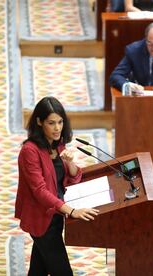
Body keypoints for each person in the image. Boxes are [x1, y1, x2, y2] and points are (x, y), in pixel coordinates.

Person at [15, 96, 99, 275]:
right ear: (39, 122)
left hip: (55, 216)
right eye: (51, 123)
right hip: (41, 218)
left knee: (39, 269)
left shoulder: (58, 144)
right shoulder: (29, 151)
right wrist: (71, 211)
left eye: (60, 122)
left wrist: (70, 164)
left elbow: (74, 178)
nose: (57, 128)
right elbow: (39, 191)